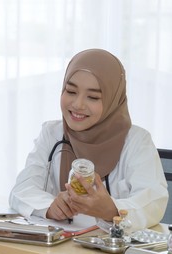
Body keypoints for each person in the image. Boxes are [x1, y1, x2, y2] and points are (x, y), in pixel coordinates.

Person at [9, 49, 168, 231]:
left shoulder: (137, 141)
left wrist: (111, 210)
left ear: (112, 99)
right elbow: (21, 190)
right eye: (71, 91)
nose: (78, 104)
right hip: (57, 249)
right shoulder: (51, 133)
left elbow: (154, 201)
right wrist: (50, 207)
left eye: (93, 97)